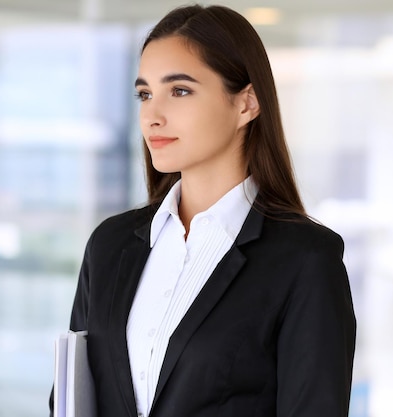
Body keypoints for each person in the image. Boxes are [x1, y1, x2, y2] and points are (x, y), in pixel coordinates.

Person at [53, 4, 356, 417]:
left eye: (179, 91)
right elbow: (70, 401)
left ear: (247, 104)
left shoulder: (305, 259)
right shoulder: (110, 245)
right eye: (145, 94)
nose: (152, 117)